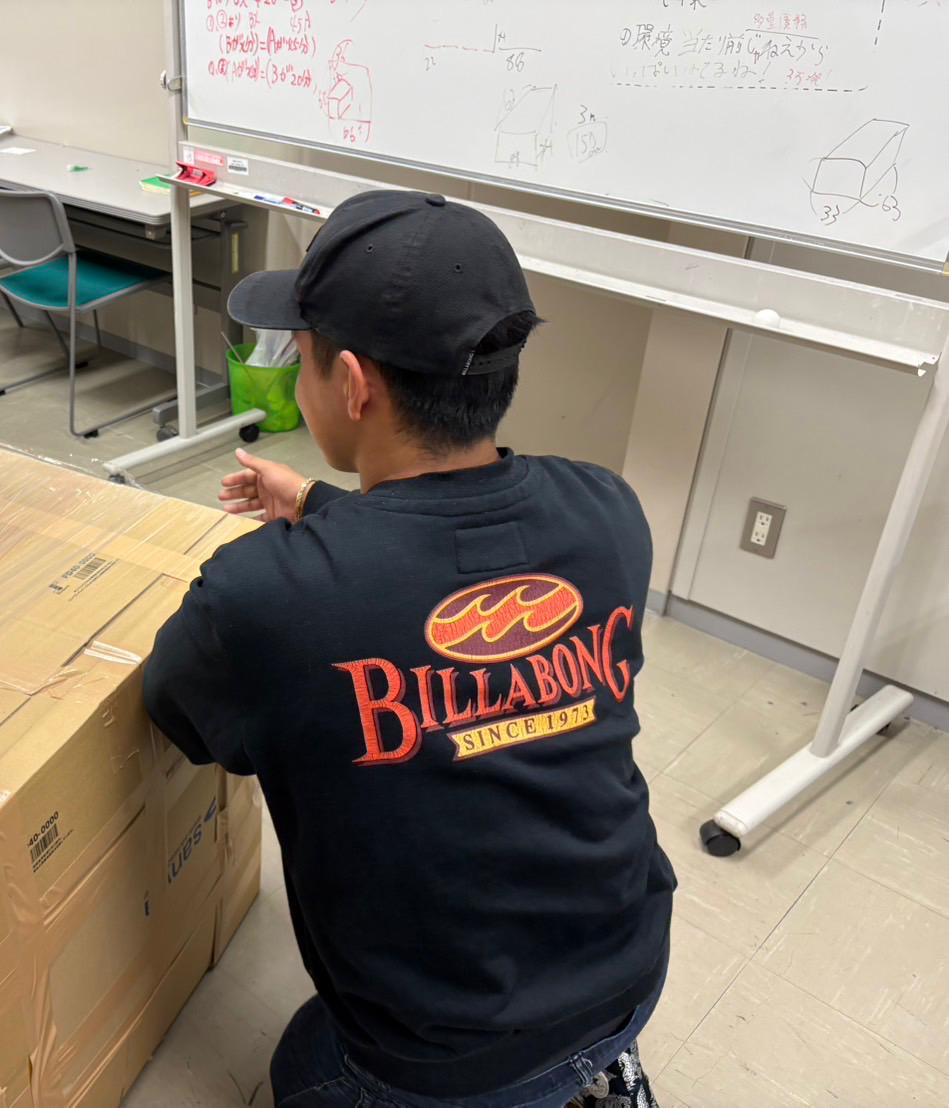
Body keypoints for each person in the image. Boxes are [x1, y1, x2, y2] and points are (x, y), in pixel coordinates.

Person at [143, 191, 675, 1108]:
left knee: (306, 1066)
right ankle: (593, 1068)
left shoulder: (261, 595)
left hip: (442, 1055)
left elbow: (178, 714)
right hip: (630, 962)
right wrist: (323, 511)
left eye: (301, 356)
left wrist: (315, 546)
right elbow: (446, 562)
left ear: (352, 384)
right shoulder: (606, 509)